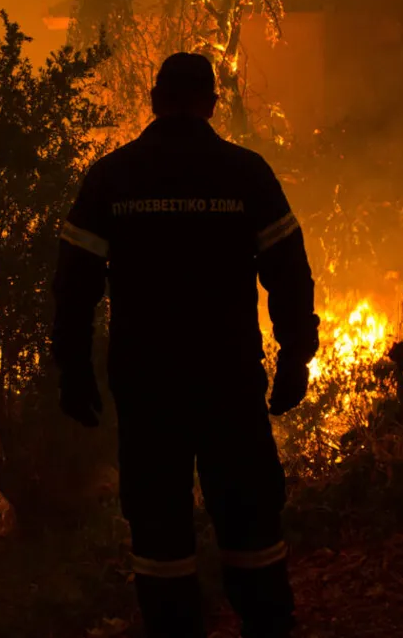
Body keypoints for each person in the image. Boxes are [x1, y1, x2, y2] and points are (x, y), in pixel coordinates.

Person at [52, 53, 319, 638]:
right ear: (211, 103)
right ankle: (267, 626)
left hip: (148, 386)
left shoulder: (112, 177)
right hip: (229, 380)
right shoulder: (245, 174)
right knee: (249, 515)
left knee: (158, 525)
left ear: (154, 100)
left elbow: (74, 282)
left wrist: (73, 368)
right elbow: (288, 271)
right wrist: (296, 355)